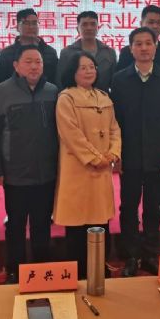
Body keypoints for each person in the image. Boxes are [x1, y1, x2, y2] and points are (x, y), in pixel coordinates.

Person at [0, 45, 59, 284]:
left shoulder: (53, 91)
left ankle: (42, 270)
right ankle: (14, 270)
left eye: (38, 62)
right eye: (28, 62)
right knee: (15, 224)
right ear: (16, 65)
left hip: (46, 172)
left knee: (42, 224)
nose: (34, 66)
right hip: (15, 172)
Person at [111, 27, 160, 276]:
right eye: (138, 44)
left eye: (148, 43)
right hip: (129, 157)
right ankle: (130, 256)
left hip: (158, 157)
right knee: (128, 207)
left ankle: (151, 254)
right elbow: (114, 122)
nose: (143, 48)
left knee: (153, 207)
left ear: (155, 47)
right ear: (130, 49)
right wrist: (117, 155)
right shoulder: (119, 80)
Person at [53, 51, 121, 279]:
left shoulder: (103, 97)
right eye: (83, 68)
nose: (89, 71)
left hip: (102, 170)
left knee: (100, 221)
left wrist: (113, 153)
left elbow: (114, 129)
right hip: (78, 169)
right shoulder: (67, 98)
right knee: (77, 224)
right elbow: (70, 135)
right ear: (73, 72)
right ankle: (79, 271)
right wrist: (95, 157)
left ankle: (100, 267)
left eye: (92, 67)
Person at [0, 8, 58, 84]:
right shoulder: (6, 54)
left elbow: (56, 80)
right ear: (17, 27)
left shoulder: (50, 52)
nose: (31, 27)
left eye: (34, 23)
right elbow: (0, 82)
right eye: (26, 23)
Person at [58, 11, 117, 92]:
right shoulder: (67, 53)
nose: (89, 28)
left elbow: (114, 83)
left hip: (102, 98)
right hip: (75, 98)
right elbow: (60, 82)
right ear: (77, 29)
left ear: (98, 28)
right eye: (84, 24)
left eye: (93, 24)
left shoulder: (109, 52)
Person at [116, 5, 160, 74]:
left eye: (159, 23)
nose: (155, 26)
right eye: (151, 22)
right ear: (141, 23)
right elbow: (120, 78)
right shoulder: (126, 52)